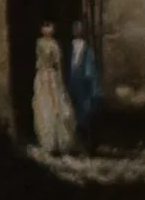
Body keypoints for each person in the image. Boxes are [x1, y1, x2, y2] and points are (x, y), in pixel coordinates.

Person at [29, 23, 74, 156]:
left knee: (56, 106)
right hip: (42, 77)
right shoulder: (39, 43)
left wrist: (59, 80)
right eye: (45, 27)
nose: (48, 30)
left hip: (52, 77)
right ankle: (46, 141)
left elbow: (58, 64)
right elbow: (38, 60)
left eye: (50, 27)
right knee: (43, 106)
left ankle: (58, 141)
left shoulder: (55, 45)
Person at [65, 17, 102, 140]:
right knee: (72, 109)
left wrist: (91, 82)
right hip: (72, 80)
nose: (77, 30)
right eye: (75, 28)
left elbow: (90, 68)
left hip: (83, 81)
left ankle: (86, 138)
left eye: (80, 28)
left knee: (85, 110)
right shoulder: (69, 47)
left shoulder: (87, 48)